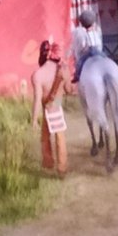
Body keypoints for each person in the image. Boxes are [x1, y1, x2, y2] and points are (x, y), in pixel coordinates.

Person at [31, 39, 69, 178]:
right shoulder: (62, 69)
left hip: (47, 106)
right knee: (59, 137)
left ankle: (49, 163)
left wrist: (34, 119)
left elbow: (37, 100)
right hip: (56, 105)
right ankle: (61, 167)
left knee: (46, 136)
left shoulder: (38, 74)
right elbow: (69, 89)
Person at [70, 9, 103, 83]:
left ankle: (77, 76)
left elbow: (82, 45)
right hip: (98, 52)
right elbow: (100, 44)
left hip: (88, 53)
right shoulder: (96, 31)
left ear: (81, 23)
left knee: (79, 64)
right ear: (93, 23)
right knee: (106, 59)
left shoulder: (81, 33)